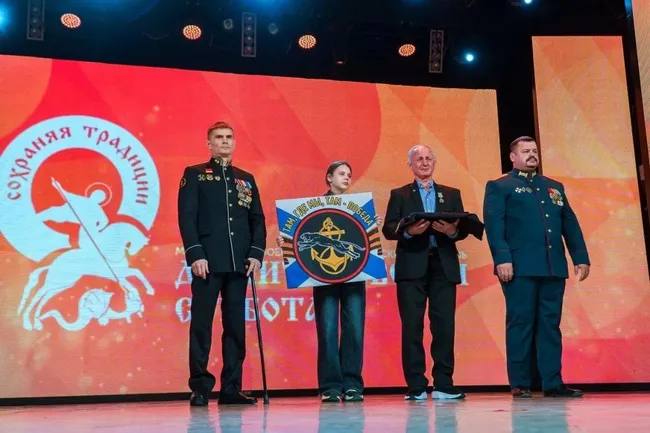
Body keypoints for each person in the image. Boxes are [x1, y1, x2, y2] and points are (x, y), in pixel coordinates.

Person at [483, 136, 590, 398]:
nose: (532, 154)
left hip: (553, 267)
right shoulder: (501, 186)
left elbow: (570, 223)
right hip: (519, 268)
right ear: (513, 157)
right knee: (521, 324)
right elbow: (494, 226)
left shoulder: (553, 187)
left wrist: (580, 256)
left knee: (550, 326)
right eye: (525, 151)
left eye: (534, 150)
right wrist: (502, 259)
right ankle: (520, 383)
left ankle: (552, 383)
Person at [178, 121, 266, 406]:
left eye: (229, 137)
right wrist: (195, 254)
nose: (225, 141)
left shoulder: (246, 179)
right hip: (208, 261)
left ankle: (231, 387)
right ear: (209, 143)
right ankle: (200, 387)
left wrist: (255, 253)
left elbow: (257, 220)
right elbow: (187, 217)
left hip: (239, 263)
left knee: (235, 327)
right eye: (219, 137)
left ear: (234, 142)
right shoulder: (194, 174)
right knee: (202, 325)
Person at [277, 161, 369, 403]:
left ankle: (352, 385)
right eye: (341, 173)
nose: (347, 177)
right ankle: (330, 386)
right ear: (329, 177)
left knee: (354, 329)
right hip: (323, 276)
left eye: (349, 174)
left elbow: (364, 243)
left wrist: (371, 227)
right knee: (327, 329)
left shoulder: (358, 209)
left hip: (354, 276)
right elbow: (298, 237)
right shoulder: (312, 209)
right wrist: (286, 241)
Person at [382, 144, 469, 400]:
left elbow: (461, 228)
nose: (424, 162)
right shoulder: (399, 194)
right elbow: (388, 228)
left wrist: (452, 231)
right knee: (412, 326)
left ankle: (444, 383)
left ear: (434, 162)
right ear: (410, 164)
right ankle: (416, 386)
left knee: (444, 326)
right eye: (418, 158)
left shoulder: (451, 193)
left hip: (444, 266)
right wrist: (409, 232)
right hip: (412, 266)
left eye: (428, 158)